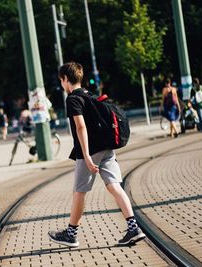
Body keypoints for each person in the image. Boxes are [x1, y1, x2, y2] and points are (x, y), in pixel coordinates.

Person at [48, 62, 145, 247]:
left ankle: (71, 234)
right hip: (106, 148)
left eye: (61, 81)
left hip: (90, 151)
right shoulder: (89, 95)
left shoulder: (73, 99)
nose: (62, 84)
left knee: (79, 192)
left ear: (65, 79)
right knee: (115, 186)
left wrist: (86, 155)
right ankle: (134, 228)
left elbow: (80, 127)